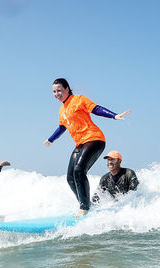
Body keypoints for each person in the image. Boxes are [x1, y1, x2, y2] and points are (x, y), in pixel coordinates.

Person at [44, 78, 131, 217]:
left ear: (67, 89)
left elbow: (96, 109)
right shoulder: (62, 110)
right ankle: (85, 205)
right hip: (80, 143)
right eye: (54, 91)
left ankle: (84, 208)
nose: (57, 93)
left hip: (94, 139)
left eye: (59, 90)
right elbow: (62, 127)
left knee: (79, 170)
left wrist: (114, 116)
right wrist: (51, 139)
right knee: (70, 177)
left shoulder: (78, 99)